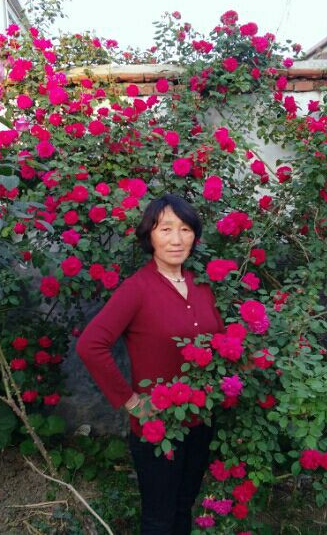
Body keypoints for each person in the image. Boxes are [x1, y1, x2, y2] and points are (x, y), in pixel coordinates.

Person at [76, 193, 225, 535]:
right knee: (159, 518)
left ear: (195, 236)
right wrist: (131, 402)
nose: (176, 239)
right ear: (150, 236)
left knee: (184, 506)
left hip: (200, 421)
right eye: (165, 229)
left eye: (185, 229)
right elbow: (90, 345)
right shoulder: (137, 289)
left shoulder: (201, 286)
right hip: (158, 427)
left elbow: (218, 341)